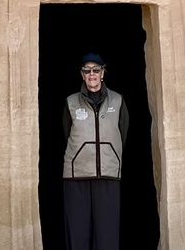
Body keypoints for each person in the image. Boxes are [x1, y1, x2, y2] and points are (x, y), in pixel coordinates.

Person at [62, 53, 129, 250]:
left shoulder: (118, 101)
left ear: (102, 74)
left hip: (108, 175)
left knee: (107, 236)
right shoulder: (71, 102)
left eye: (96, 70)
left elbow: (122, 133)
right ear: (82, 75)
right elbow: (66, 134)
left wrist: (110, 154)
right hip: (76, 177)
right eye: (87, 70)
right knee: (77, 235)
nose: (91, 74)